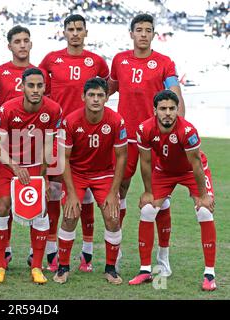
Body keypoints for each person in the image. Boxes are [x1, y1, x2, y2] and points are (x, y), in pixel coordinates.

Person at [108, 13, 186, 274]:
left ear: (154, 34)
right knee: (119, 192)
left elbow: (174, 94)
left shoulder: (164, 63)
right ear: (131, 34)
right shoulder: (119, 60)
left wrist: (178, 131)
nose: (143, 33)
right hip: (126, 138)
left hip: (156, 140)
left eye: (148, 30)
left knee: (160, 198)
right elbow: (107, 90)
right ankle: (114, 253)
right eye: (138, 29)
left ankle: (163, 259)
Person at [39, 14, 110, 272]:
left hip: (88, 136)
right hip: (59, 134)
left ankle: (87, 254)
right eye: (71, 29)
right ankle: (51, 252)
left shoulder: (97, 62)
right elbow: (41, 90)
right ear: (64, 32)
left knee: (87, 194)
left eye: (79, 29)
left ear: (86, 32)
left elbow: (104, 89)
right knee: (56, 194)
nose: (75, 33)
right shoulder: (51, 59)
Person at [129, 90, 217, 291]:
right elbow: (146, 161)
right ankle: (145, 269)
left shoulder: (187, 131)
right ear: (155, 111)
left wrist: (203, 196)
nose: (167, 113)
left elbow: (195, 164)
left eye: (171, 109)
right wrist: (148, 191)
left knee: (204, 212)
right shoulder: (144, 129)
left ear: (178, 110)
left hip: (191, 171)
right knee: (148, 210)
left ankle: (209, 274)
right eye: (163, 109)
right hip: (164, 171)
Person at [0, 68, 61, 284]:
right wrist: (14, 166)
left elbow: (48, 148)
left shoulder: (54, 109)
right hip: (6, 164)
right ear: (22, 86)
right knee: (2, 207)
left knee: (39, 210)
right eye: (31, 85)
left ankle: (37, 267)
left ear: (45, 87)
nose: (36, 90)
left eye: (40, 86)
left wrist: (44, 179)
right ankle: (0, 266)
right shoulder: (8, 109)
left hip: (35, 165)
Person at [54, 78, 127, 285]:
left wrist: (114, 192)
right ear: (83, 97)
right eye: (92, 95)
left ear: (106, 98)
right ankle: (63, 267)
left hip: (103, 174)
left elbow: (121, 156)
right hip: (76, 173)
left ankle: (111, 269)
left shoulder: (116, 121)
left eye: (100, 95)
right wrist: (71, 193)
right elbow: (64, 159)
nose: (95, 99)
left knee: (113, 217)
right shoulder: (71, 121)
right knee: (69, 215)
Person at [0, 25, 41, 268]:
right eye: (17, 41)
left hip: (34, 150)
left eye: (26, 40)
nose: (22, 45)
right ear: (9, 45)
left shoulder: (40, 74)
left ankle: (40, 252)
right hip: (5, 148)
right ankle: (6, 249)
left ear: (31, 44)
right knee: (3, 202)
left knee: (39, 198)